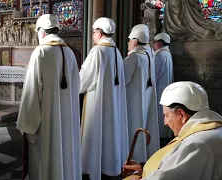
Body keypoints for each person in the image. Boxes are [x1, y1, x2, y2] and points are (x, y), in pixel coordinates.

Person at [16, 14, 81, 180]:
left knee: (46, 157)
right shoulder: (70, 52)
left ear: (42, 32)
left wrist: (27, 124)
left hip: (47, 121)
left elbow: (31, 92)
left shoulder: (41, 52)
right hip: (68, 119)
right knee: (65, 151)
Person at [123, 81, 222, 180]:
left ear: (181, 114)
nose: (165, 122)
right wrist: (145, 169)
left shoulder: (195, 144)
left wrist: (136, 177)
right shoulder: (213, 127)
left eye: (166, 116)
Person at [80, 17, 129, 180]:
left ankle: (93, 166)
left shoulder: (98, 51)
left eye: (94, 32)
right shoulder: (116, 51)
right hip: (113, 103)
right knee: (110, 132)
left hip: (98, 101)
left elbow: (84, 79)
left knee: (96, 132)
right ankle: (110, 165)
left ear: (100, 33)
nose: (93, 35)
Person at [124, 29, 160, 163]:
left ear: (135, 42)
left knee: (133, 125)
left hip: (132, 100)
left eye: (129, 40)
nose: (128, 43)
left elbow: (123, 79)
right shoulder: (148, 56)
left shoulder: (133, 57)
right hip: (144, 98)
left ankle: (134, 156)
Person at [153, 32, 174, 138]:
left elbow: (154, 74)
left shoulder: (160, 55)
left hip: (159, 88)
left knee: (158, 114)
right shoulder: (167, 53)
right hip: (165, 88)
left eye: (155, 42)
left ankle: (160, 136)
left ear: (160, 43)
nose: (154, 45)